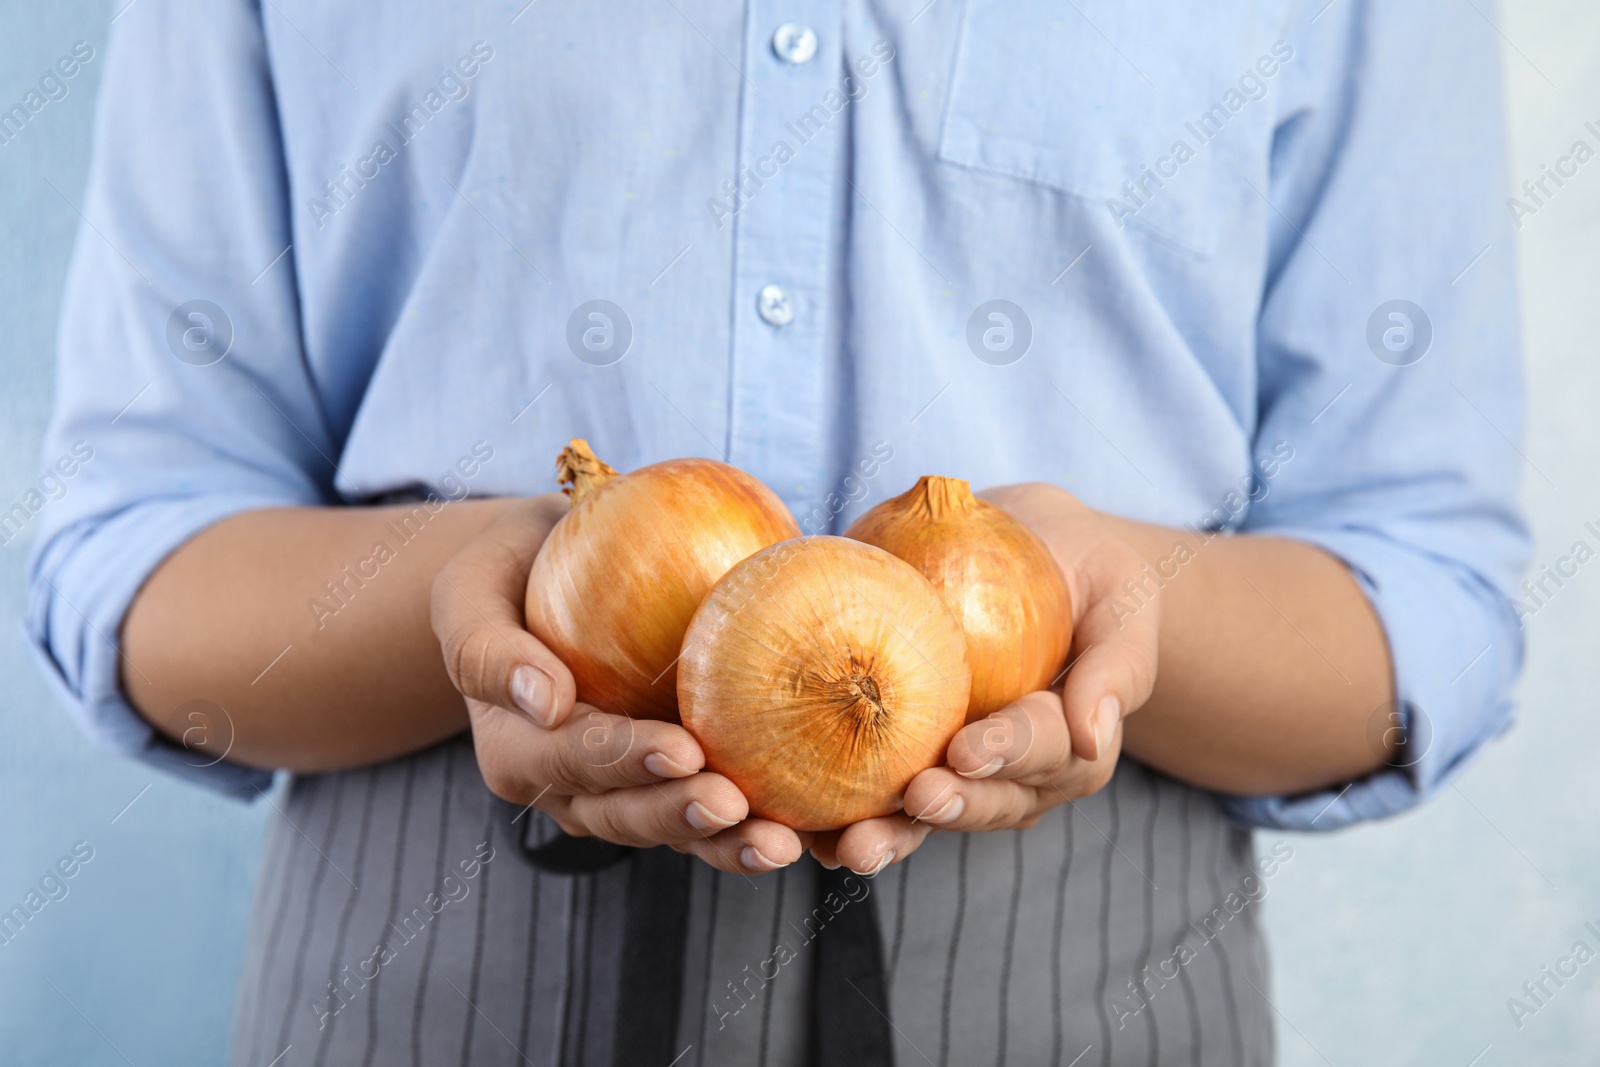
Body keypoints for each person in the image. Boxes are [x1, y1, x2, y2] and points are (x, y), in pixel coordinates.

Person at [27, 0, 1526, 1064]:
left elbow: (1427, 602)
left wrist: (1115, 608)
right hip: (433, 955)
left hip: (1089, 971)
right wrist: (481, 587)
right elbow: (135, 562)